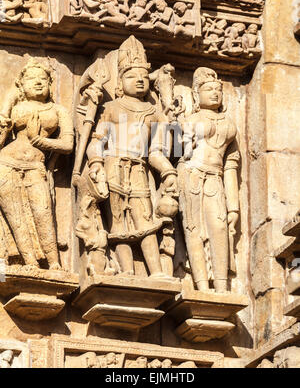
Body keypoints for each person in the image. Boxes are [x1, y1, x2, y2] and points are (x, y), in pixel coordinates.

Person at [86, 35, 178, 277]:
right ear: (120, 82)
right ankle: (126, 270)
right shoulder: (111, 109)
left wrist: (168, 172)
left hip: (139, 170)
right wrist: (96, 163)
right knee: (118, 223)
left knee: (145, 220)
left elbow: (158, 151)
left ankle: (156, 271)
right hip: (113, 167)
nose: (139, 80)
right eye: (130, 76)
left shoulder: (154, 113)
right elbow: (96, 141)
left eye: (143, 77)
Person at [0, 58, 74, 269]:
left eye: (43, 78)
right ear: (21, 85)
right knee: (16, 217)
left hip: (35, 165)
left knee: (42, 212)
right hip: (6, 163)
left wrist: (40, 141)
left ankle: (54, 263)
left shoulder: (58, 110)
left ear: (50, 84)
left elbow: (68, 145)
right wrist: (6, 110)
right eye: (31, 79)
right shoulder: (15, 105)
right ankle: (29, 262)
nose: (38, 82)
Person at [178, 67, 240, 293]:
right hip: (192, 174)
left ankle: (222, 286)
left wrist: (234, 206)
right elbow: (173, 152)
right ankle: (202, 286)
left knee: (219, 228)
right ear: (196, 94)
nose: (215, 93)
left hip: (216, 177)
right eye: (208, 89)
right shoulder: (188, 119)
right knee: (193, 229)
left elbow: (231, 165)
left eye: (218, 90)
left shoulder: (229, 123)